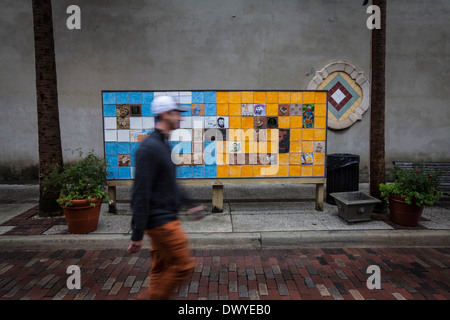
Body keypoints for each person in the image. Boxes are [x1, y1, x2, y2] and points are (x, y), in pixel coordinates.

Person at [127, 95, 206, 300]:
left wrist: (191, 205)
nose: (180, 118)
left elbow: (170, 184)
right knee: (184, 265)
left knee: (160, 269)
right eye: (176, 113)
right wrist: (137, 233)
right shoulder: (149, 149)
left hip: (164, 218)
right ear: (164, 114)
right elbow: (140, 193)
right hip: (161, 222)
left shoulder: (162, 145)